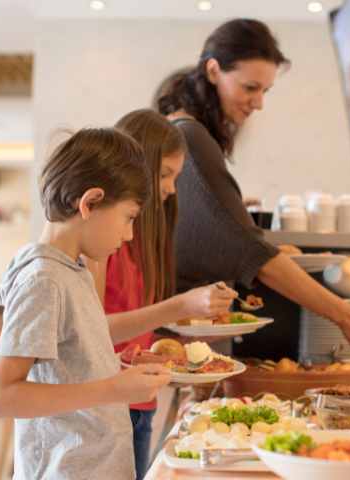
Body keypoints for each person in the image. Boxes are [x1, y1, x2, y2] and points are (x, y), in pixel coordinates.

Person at [158, 18, 350, 355]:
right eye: (250, 87)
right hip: (174, 339)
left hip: (181, 333)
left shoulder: (184, 131)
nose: (259, 102)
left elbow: (222, 234)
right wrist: (348, 317)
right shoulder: (191, 137)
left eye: (265, 91)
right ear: (212, 71)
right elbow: (253, 255)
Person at [0, 127, 172, 480]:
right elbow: (0, 397)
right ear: (90, 203)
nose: (129, 234)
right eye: (129, 217)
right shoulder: (44, 279)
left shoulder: (75, 270)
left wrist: (114, 364)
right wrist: (113, 387)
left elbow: (65, 368)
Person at [87, 109, 237, 480]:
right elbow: (92, 330)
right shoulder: (104, 240)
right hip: (106, 406)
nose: (172, 189)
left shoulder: (143, 239)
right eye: (166, 175)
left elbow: (138, 329)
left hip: (140, 401)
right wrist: (179, 307)